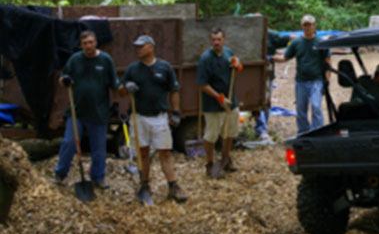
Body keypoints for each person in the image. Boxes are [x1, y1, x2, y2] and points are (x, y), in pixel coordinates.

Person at [120, 35, 187, 203]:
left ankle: (173, 186)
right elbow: (119, 90)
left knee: (165, 152)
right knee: (143, 152)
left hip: (159, 117)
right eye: (136, 47)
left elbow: (174, 90)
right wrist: (126, 88)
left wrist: (176, 112)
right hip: (139, 116)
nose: (137, 49)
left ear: (151, 47)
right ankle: (144, 186)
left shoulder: (165, 67)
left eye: (141, 46)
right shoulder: (132, 69)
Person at [54, 30, 119, 189]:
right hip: (77, 112)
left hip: (98, 112)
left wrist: (117, 102)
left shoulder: (105, 60)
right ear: (81, 45)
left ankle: (98, 177)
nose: (88, 46)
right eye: (85, 43)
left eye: (91, 42)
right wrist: (65, 80)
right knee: (69, 143)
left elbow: (114, 84)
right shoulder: (75, 59)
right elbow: (62, 79)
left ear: (96, 42)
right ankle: (60, 174)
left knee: (99, 149)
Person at [197, 28, 243, 178]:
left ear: (224, 39)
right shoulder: (205, 59)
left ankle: (225, 160)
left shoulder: (228, 52)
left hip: (231, 103)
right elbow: (202, 85)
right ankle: (210, 164)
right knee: (211, 136)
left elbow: (239, 67)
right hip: (212, 105)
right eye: (214, 40)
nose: (216, 42)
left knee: (230, 133)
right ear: (211, 41)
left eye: (219, 39)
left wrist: (238, 65)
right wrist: (220, 98)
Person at [274, 14, 331, 134]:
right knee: (301, 109)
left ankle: (317, 131)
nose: (308, 27)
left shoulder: (321, 43)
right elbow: (285, 57)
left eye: (310, 25)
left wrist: (327, 80)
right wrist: (270, 58)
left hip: (316, 80)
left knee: (316, 107)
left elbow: (328, 62)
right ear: (302, 26)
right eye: (305, 25)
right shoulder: (296, 43)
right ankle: (304, 132)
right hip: (301, 81)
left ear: (314, 26)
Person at [252, 29, 294, 143]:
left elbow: (291, 38)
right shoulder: (247, 32)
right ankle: (260, 128)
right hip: (251, 75)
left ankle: (262, 129)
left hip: (267, 73)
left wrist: (289, 53)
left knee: (265, 101)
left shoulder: (270, 35)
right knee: (254, 101)